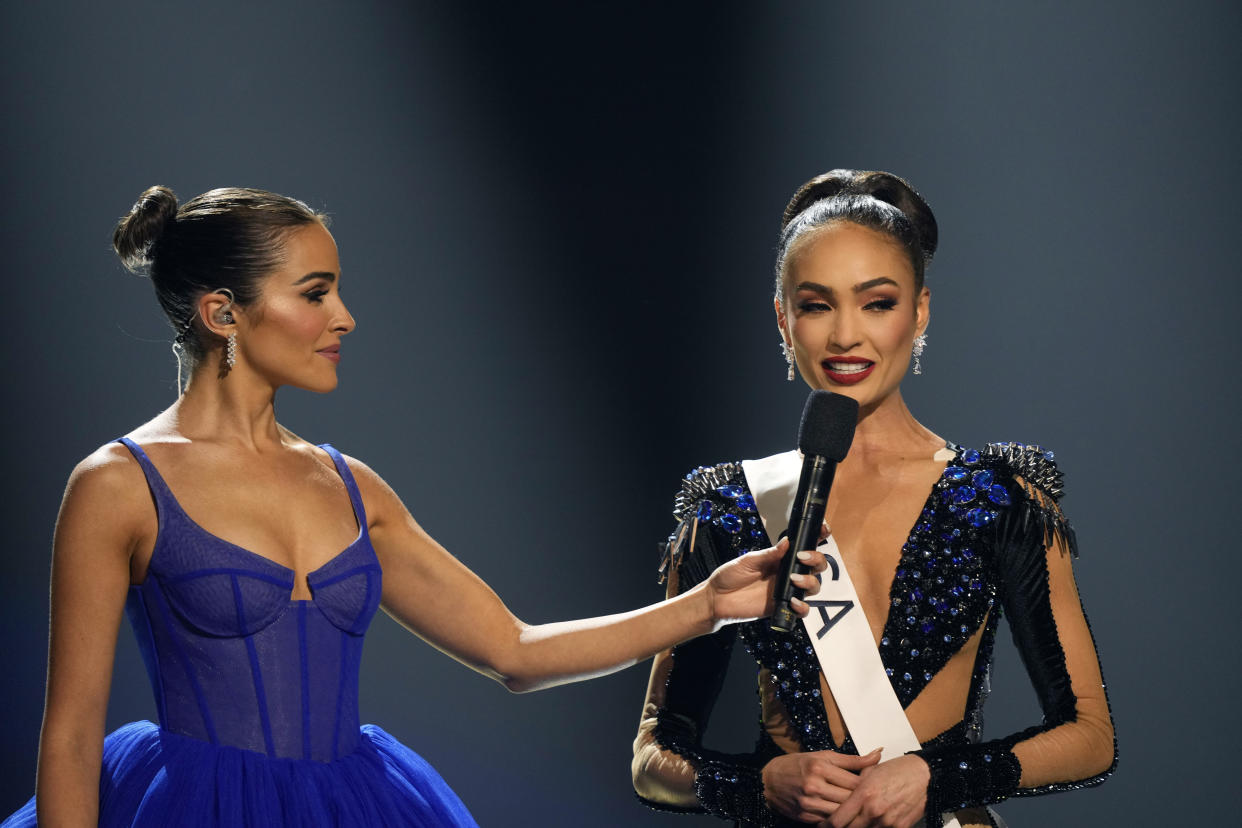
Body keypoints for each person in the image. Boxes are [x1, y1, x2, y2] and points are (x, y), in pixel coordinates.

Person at [3, 186, 831, 828]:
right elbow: (71, 735)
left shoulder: (352, 487)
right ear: (224, 312)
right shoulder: (118, 484)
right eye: (316, 293)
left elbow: (514, 649)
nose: (345, 318)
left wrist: (707, 606)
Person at [631, 170, 1116, 828]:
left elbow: (1090, 736)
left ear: (919, 310)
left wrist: (933, 776)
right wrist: (758, 782)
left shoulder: (996, 498)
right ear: (784, 319)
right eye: (816, 304)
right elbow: (653, 757)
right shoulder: (732, 506)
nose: (845, 337)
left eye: (877, 303)